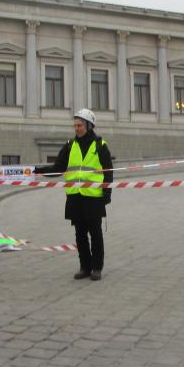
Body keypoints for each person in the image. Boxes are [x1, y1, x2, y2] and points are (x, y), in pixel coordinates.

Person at [35, 109, 113, 281]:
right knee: (80, 234)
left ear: (89, 125)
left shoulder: (100, 145)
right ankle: (84, 267)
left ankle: (97, 268)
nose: (77, 128)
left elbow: (108, 172)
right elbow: (58, 168)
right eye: (75, 125)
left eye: (80, 125)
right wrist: (37, 170)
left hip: (94, 197)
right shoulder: (70, 145)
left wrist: (107, 194)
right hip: (75, 197)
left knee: (96, 233)